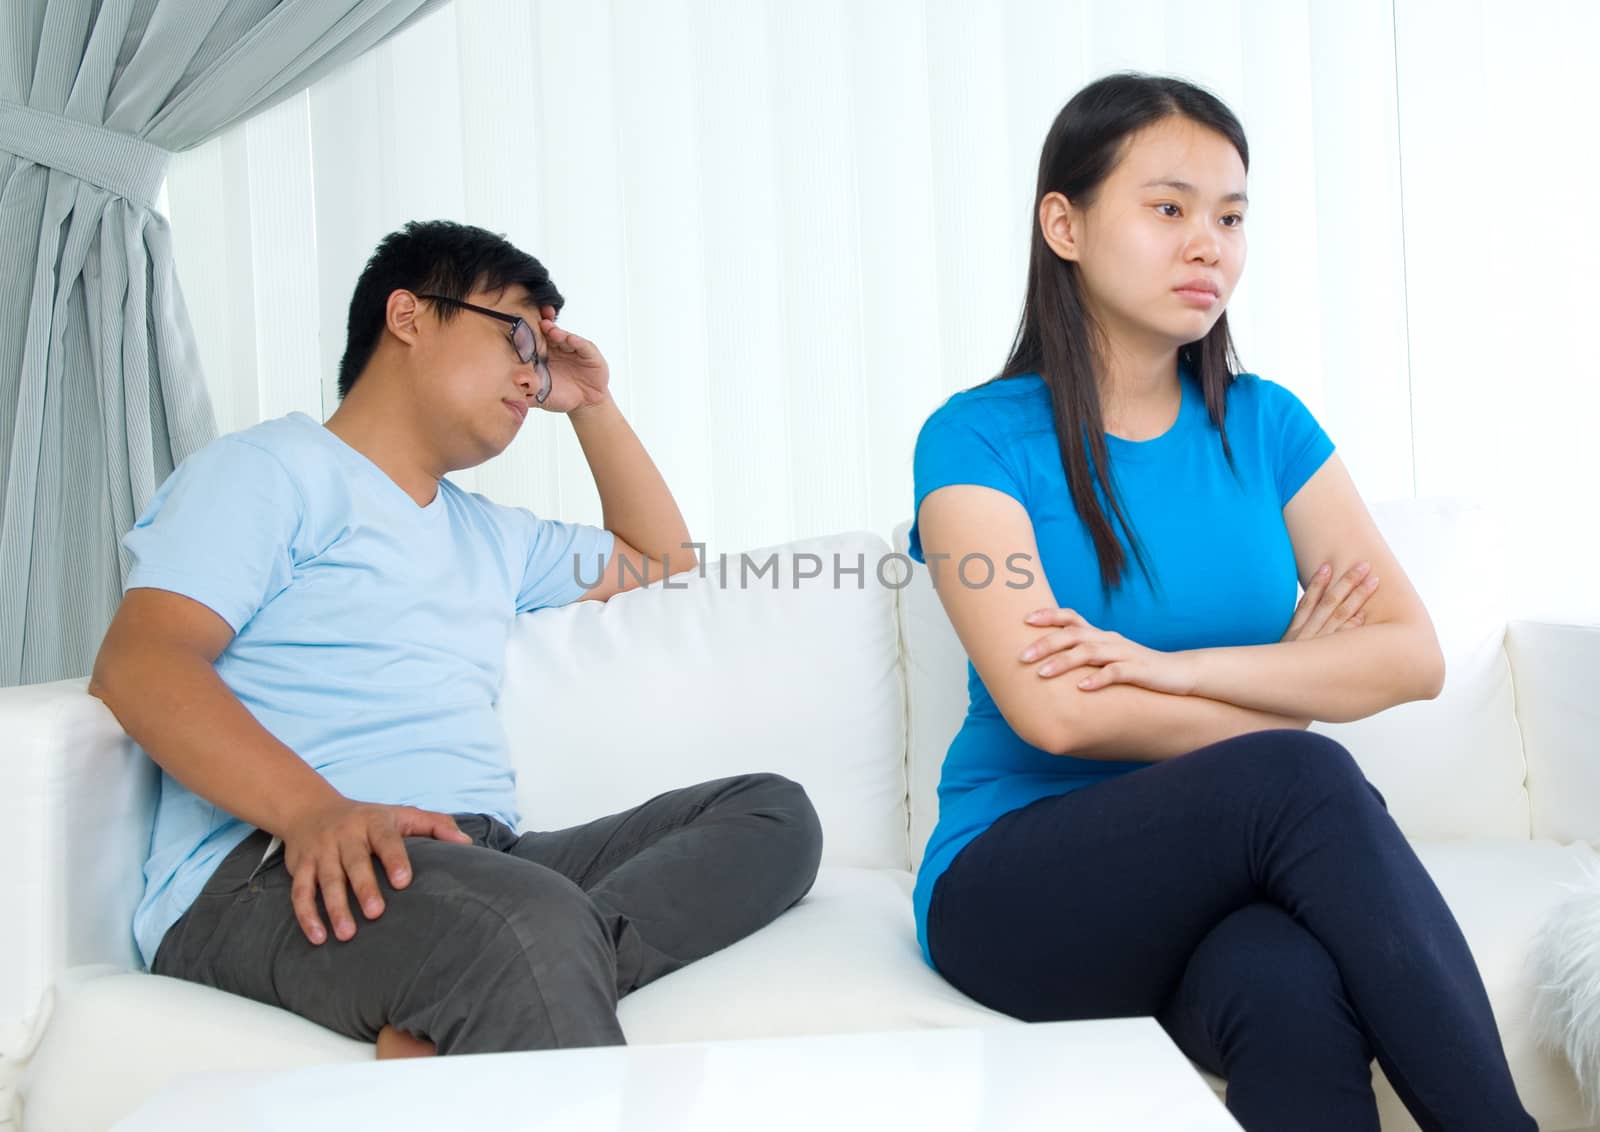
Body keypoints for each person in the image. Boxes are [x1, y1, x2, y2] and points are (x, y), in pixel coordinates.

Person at [907, 73, 1533, 1130]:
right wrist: (1285, 702)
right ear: (1063, 223)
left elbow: (1410, 657)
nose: (1209, 244)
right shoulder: (973, 440)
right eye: (1168, 209)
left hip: (1210, 890)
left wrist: (1169, 667)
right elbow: (1055, 711)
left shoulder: (1268, 426)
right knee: (1299, 771)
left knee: (1291, 988)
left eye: (1230, 217)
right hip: (1014, 885)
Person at [88, 220, 823, 1059]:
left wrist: (591, 405)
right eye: (515, 333)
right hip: (280, 864)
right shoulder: (267, 469)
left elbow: (662, 561)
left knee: (772, 811)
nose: (529, 371)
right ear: (407, 315)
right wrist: (312, 812)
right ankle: (513, 956)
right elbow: (139, 661)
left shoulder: (490, 535)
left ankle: (494, 974)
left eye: (540, 355)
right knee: (523, 922)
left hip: (480, 860)